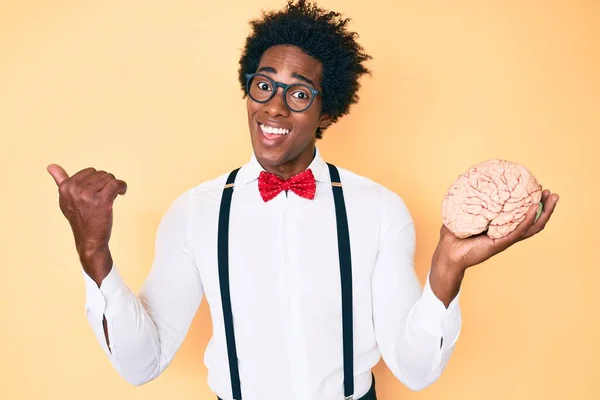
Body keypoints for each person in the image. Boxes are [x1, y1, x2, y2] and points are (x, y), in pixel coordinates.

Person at [47, 1, 559, 399]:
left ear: (326, 112)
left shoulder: (379, 210)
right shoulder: (195, 212)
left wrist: (448, 264)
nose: (273, 105)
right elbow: (142, 363)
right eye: (263, 85)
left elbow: (417, 370)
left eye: (298, 93)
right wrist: (94, 254)